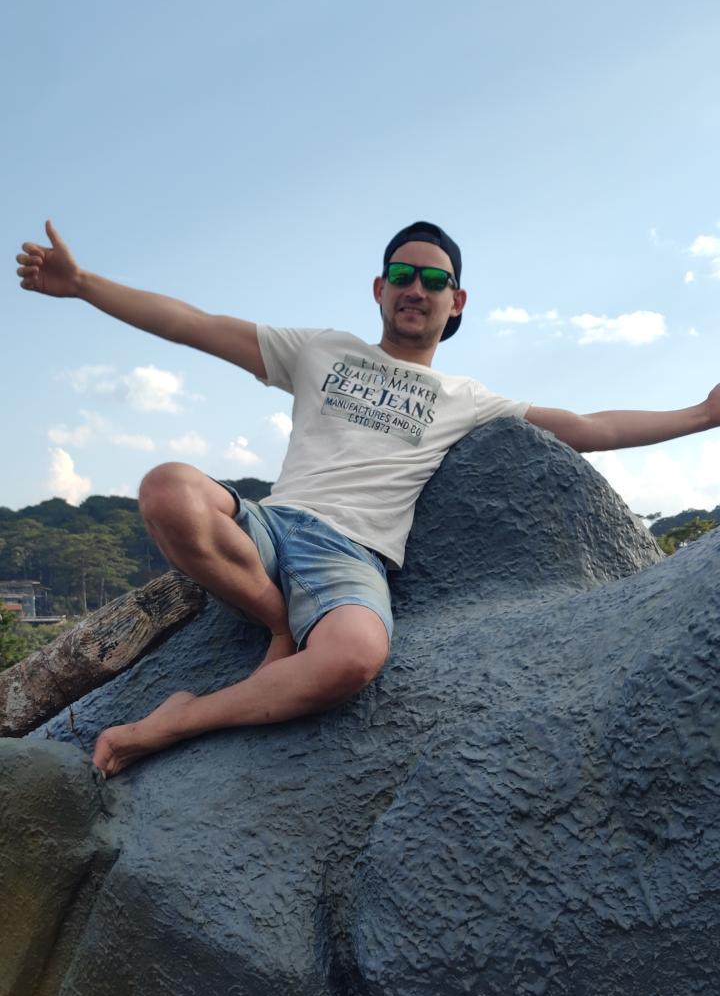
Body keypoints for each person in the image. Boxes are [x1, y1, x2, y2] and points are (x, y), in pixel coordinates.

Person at [17, 220, 720, 777]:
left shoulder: (466, 398)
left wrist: (701, 414)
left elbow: (589, 428)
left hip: (352, 556)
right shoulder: (322, 350)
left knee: (354, 657)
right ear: (380, 289)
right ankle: (280, 625)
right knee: (167, 488)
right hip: (270, 527)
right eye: (403, 276)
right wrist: (84, 285)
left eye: (434, 280)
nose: (417, 289)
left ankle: (175, 721)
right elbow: (194, 323)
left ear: (456, 301)